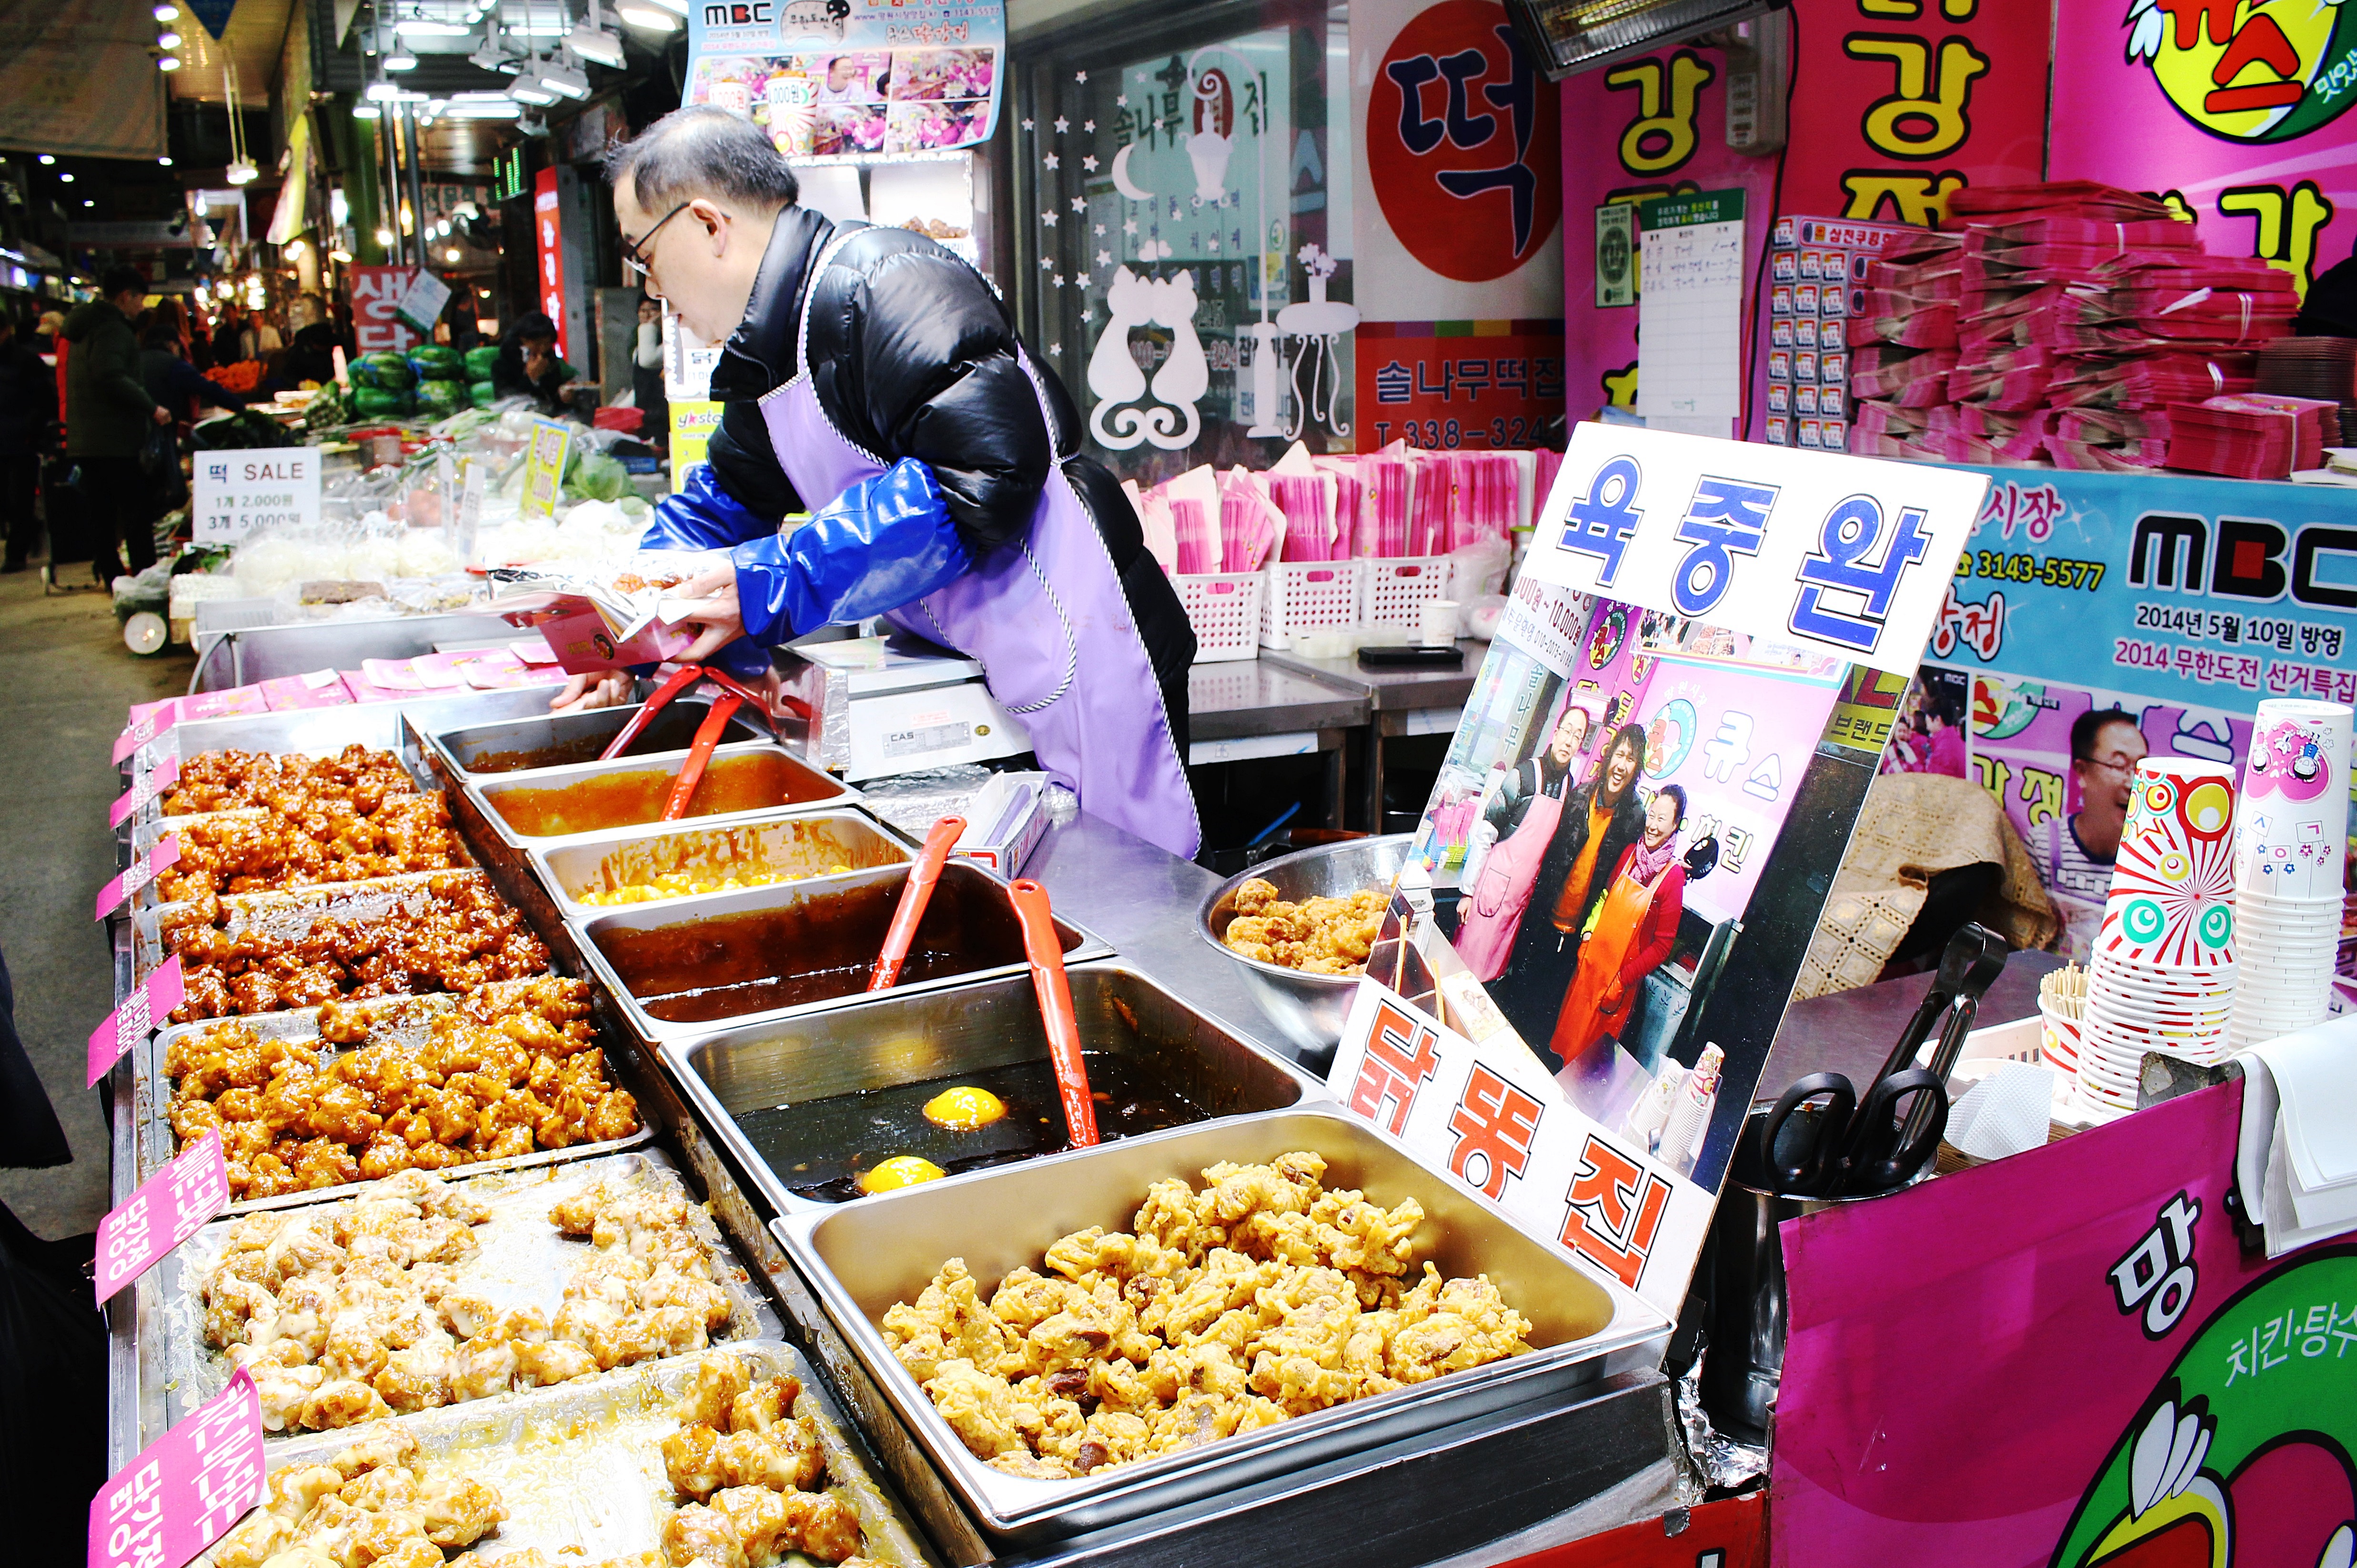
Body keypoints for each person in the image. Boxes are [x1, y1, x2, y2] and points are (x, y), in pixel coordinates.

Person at [579, 106, 1198, 855]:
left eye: (642, 253)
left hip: (1083, 646)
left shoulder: (884, 283)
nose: (651, 289)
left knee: (1124, 892)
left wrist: (777, 578)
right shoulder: (771, 353)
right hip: (970, 667)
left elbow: (986, 474)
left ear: (708, 225)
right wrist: (613, 629)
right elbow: (723, 505)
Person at [1490, 722, 1651, 1031]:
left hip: (1579, 938)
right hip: (1542, 922)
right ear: (1609, 758)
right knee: (1512, 1007)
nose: (1622, 765)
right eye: (1620, 754)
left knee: (1545, 1021)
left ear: (1637, 768)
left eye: (1631, 759)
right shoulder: (1579, 796)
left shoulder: (1635, 818)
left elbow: (1619, 887)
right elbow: (1549, 855)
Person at [1549, 784, 1705, 1070]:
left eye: (1662, 820)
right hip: (1590, 968)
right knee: (1563, 1045)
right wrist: (1586, 937)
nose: (1653, 825)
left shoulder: (1672, 880)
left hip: (1618, 986)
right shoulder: (1630, 854)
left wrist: (1622, 981)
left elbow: (1662, 947)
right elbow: (1605, 899)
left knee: (1586, 1065)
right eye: (1652, 815)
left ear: (1674, 826)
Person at [1454, 695, 1596, 982]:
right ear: (1556, 733)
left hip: (1519, 901)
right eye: (1567, 731)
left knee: (1493, 978)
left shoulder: (1569, 787)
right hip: (1489, 891)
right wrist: (1467, 892)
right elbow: (1487, 830)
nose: (1569, 741)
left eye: (1577, 736)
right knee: (1463, 972)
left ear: (1580, 746)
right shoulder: (1524, 775)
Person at [62, 265, 171, 583]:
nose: (142, 308)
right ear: (126, 297)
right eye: (140, 301)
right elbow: (110, 375)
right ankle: (143, 580)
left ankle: (113, 578)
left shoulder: (85, 327)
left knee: (102, 516)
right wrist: (152, 408)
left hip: (88, 439)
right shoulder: (112, 330)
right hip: (115, 441)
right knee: (136, 513)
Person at [2031, 706, 2149, 904]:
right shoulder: (2043, 847)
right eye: (2119, 765)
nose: (2133, 783)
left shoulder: (2152, 860)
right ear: (2082, 771)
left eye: (2141, 768)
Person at [0, 314, 56, 573]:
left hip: (21, 442)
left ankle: (16, 554)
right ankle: (28, 532)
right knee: (8, 501)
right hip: (13, 438)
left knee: (19, 499)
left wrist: (30, 430)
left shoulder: (26, 361)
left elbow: (44, 399)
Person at [492, 312, 577, 412]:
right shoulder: (503, 365)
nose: (543, 349)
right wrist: (531, 378)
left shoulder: (550, 361)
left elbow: (553, 397)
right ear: (523, 340)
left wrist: (564, 395)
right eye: (538, 344)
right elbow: (507, 401)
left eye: (547, 344)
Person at [633, 295, 668, 442]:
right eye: (643, 310)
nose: (647, 315)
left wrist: (649, 326)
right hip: (646, 416)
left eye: (654, 310)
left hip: (664, 417)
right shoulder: (638, 343)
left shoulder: (669, 342)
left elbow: (648, 360)